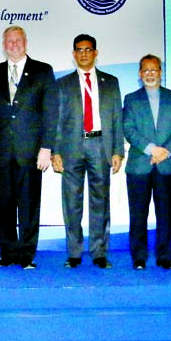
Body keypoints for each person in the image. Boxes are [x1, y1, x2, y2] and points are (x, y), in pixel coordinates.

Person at [0, 26, 58, 270]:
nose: (13, 44)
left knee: (28, 204)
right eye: (9, 41)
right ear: (4, 45)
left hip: (31, 152)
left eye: (18, 40)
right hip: (0, 150)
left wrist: (47, 147)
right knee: (2, 205)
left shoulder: (43, 71)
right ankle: (7, 253)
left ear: (26, 42)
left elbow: (51, 111)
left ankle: (26, 255)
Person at [52, 34, 124, 269]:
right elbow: (58, 120)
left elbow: (116, 118)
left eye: (88, 49)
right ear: (74, 54)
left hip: (100, 145)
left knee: (100, 201)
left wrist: (117, 150)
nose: (84, 53)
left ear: (95, 52)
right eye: (79, 50)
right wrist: (56, 151)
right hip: (72, 148)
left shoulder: (111, 82)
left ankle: (99, 252)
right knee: (72, 201)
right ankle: (74, 252)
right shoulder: (62, 84)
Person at [122, 54, 171, 270]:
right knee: (138, 214)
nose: (150, 74)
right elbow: (128, 129)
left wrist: (165, 151)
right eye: (146, 70)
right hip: (140, 165)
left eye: (154, 70)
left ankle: (164, 257)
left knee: (165, 213)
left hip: (165, 164)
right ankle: (139, 257)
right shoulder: (131, 99)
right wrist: (152, 149)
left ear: (161, 72)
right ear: (140, 74)